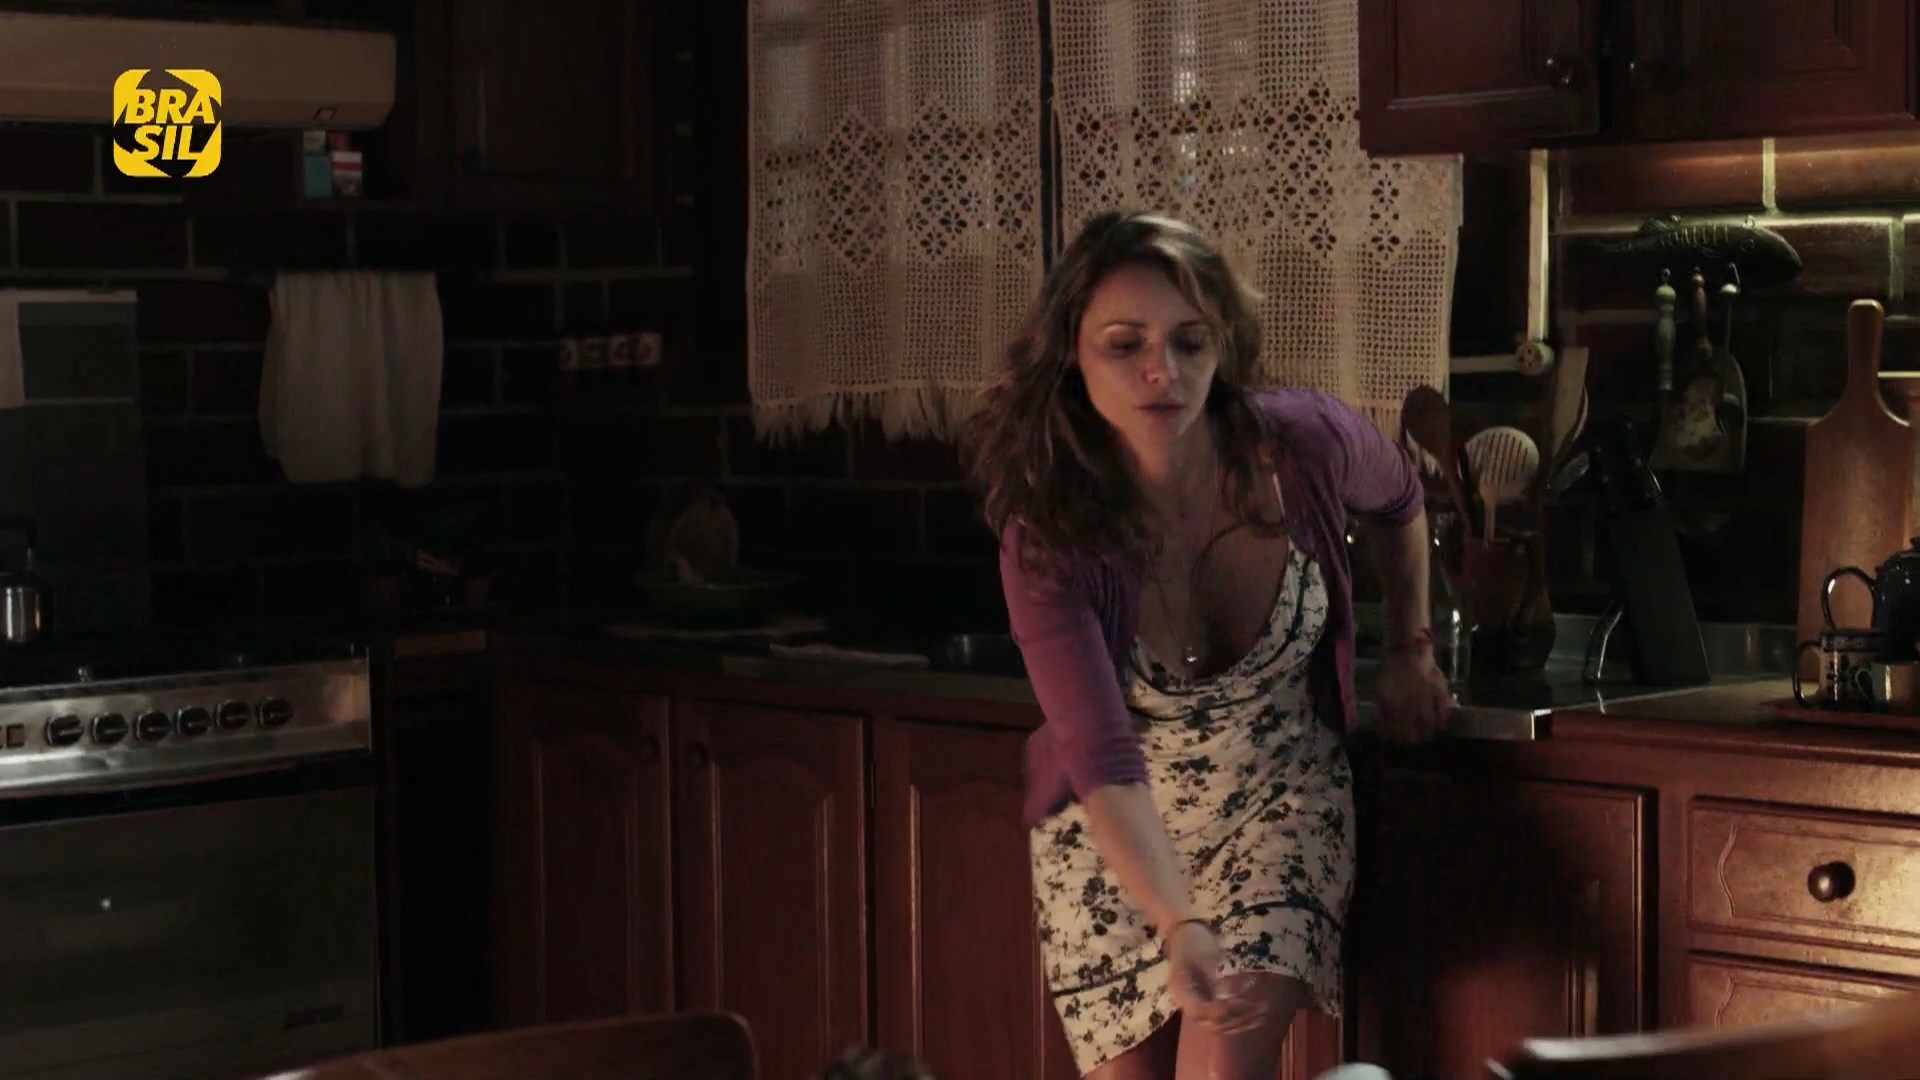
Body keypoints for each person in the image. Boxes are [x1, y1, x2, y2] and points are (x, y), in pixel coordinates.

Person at [961, 210, 1452, 1080]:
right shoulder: (1049, 533)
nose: (1165, 370)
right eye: (1125, 345)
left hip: (1280, 801)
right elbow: (1102, 758)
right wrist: (1175, 919)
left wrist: (1413, 648)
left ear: (1222, 343)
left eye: (1191, 341)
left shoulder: (1302, 446)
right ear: (1070, 354)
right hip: (1117, 835)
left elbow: (1402, 499)